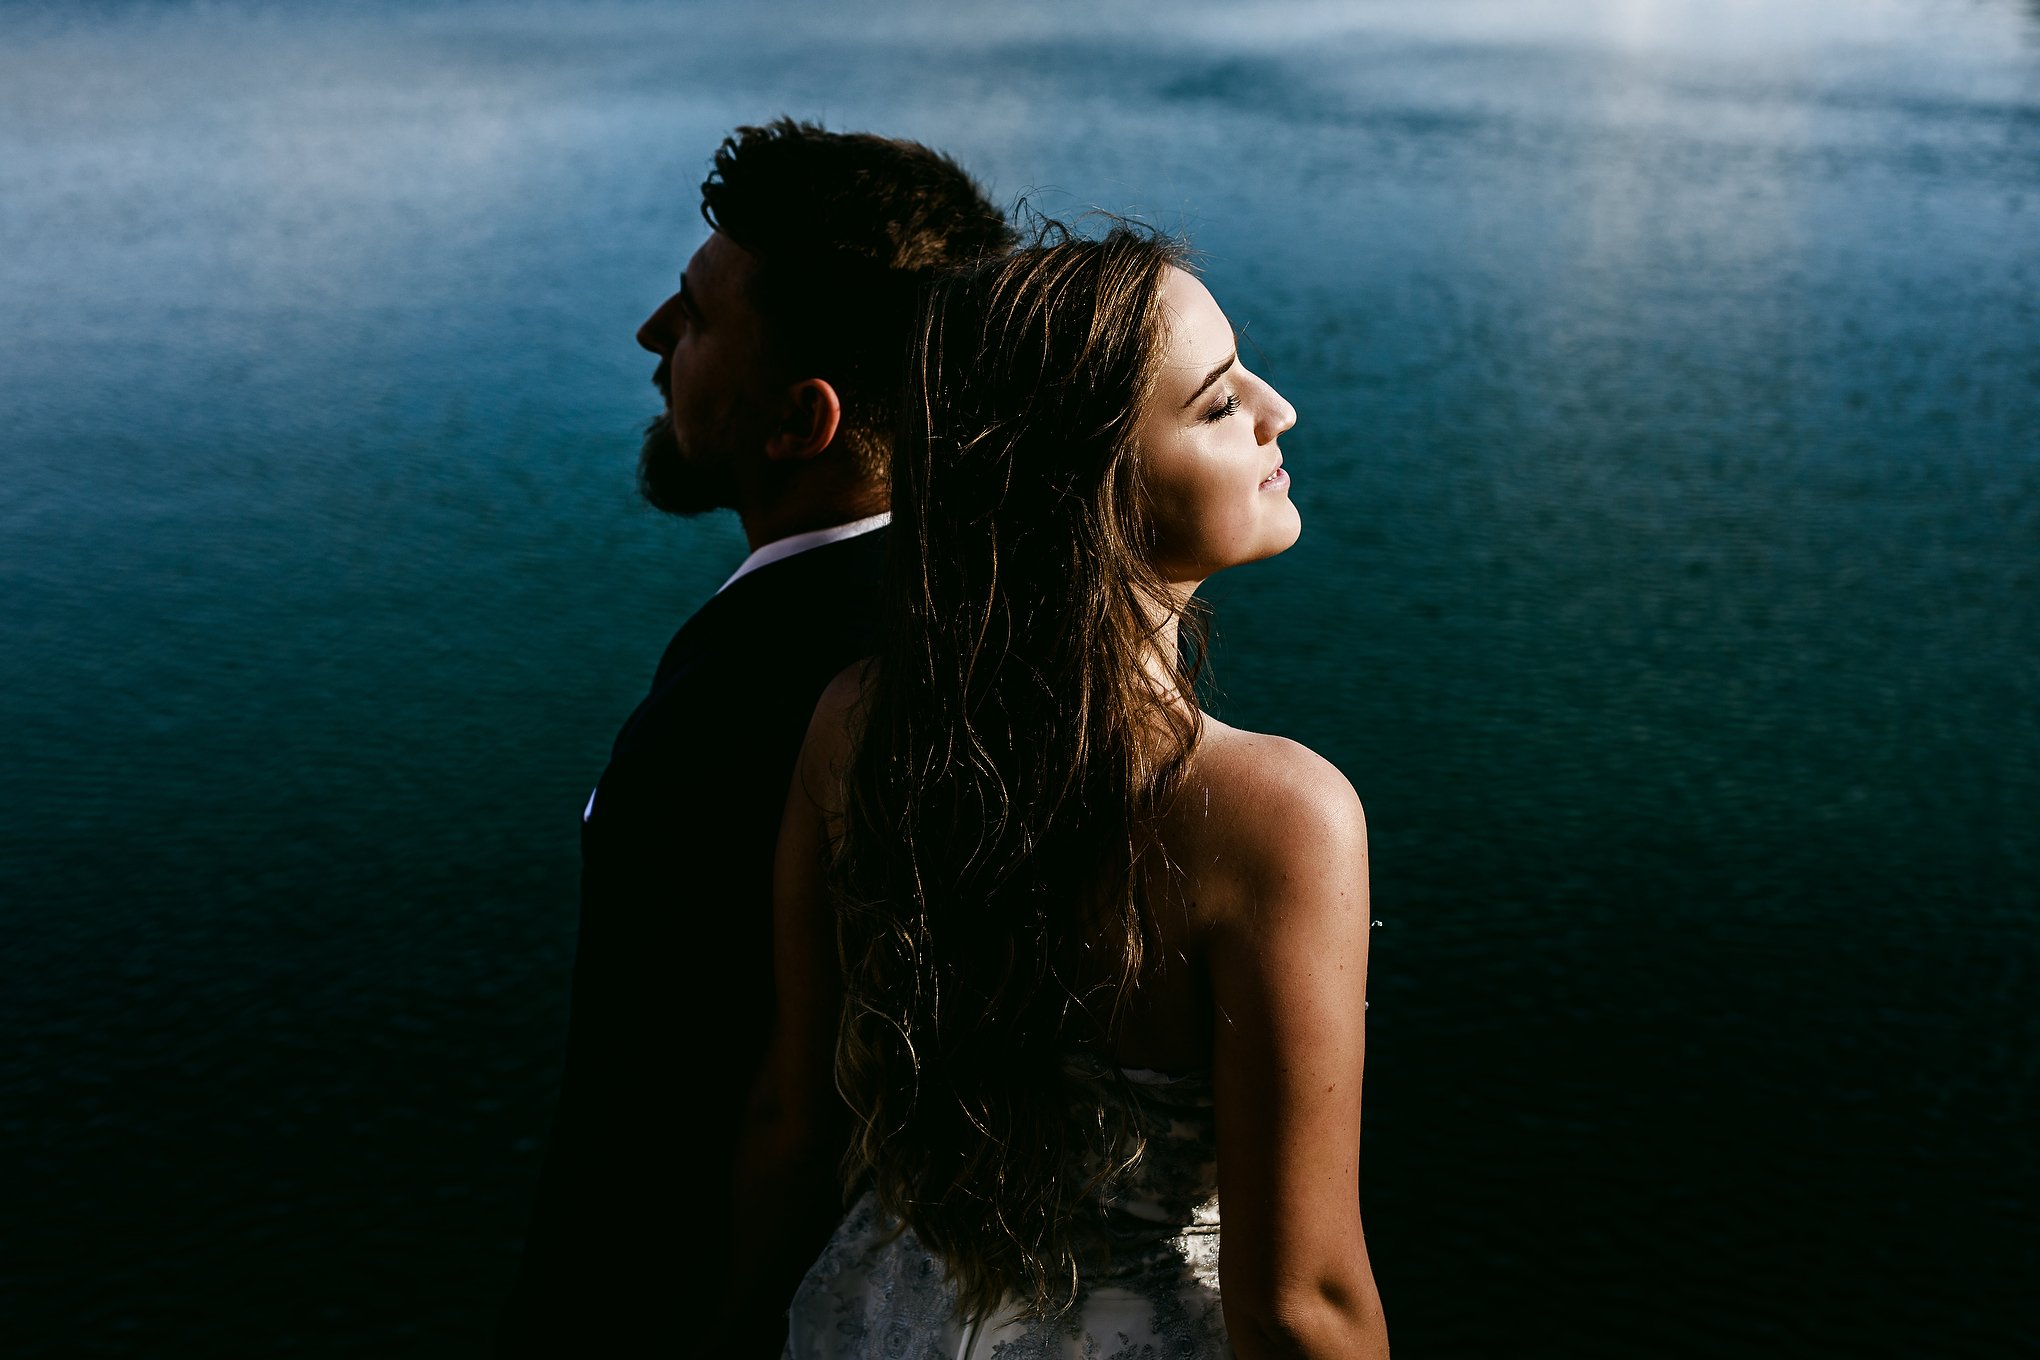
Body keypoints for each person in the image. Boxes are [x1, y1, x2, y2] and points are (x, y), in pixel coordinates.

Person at [746, 227, 1389, 1358]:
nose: (1276, 407)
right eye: (1215, 402)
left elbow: (791, 1122)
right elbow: (1301, 1303)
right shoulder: (1276, 816)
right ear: (1089, 486)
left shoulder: (855, 726)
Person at [498, 120, 1012, 1357]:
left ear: (800, 422)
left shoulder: (753, 707)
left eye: (694, 317)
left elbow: (674, 1092)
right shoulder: (964, 619)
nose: (651, 339)